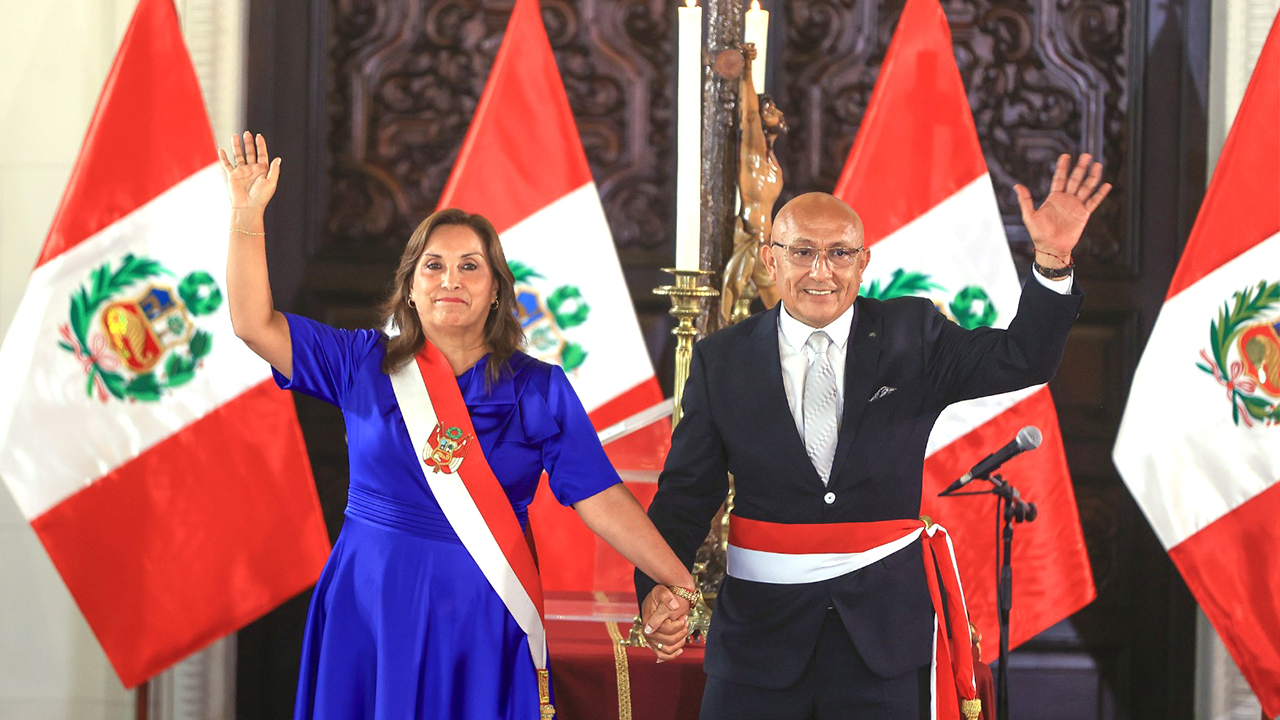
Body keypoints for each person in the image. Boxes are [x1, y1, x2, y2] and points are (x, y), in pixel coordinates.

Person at [219, 131, 697, 720]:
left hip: (480, 614)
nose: (451, 280)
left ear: (495, 291)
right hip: (369, 606)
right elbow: (253, 323)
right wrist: (247, 216)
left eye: (470, 266)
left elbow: (599, 496)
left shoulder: (538, 389)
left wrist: (677, 582)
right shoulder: (358, 362)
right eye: (434, 266)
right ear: (410, 288)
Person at [636, 154, 1111, 719]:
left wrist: (1053, 263)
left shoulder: (913, 335)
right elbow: (686, 497)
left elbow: (1022, 358)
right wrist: (657, 586)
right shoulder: (722, 360)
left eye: (840, 253)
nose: (821, 271)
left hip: (883, 646)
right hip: (758, 647)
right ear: (770, 258)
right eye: (802, 251)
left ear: (863, 262)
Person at [722, 43, 786, 324]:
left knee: (784, 312)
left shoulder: (770, 159)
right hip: (750, 241)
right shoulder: (754, 153)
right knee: (728, 312)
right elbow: (749, 115)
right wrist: (747, 69)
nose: (778, 113)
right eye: (769, 109)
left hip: (767, 245)